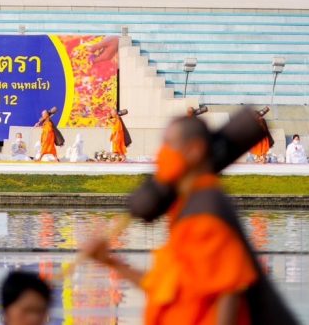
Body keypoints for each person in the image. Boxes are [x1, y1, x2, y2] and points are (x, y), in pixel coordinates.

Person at [81, 115, 297, 324]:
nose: (161, 153)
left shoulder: (206, 211)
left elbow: (227, 295)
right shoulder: (188, 205)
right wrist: (110, 262)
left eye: (168, 144)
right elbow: (167, 287)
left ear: (194, 150)